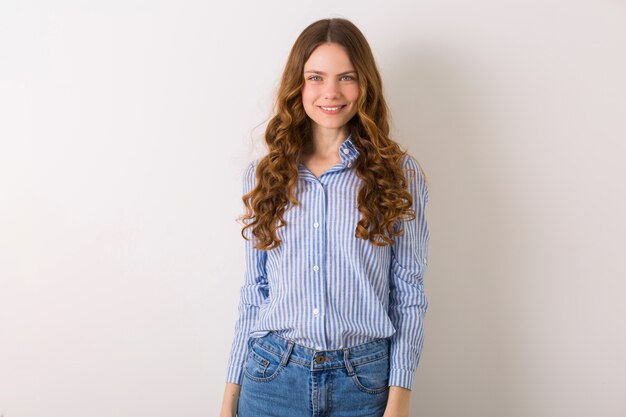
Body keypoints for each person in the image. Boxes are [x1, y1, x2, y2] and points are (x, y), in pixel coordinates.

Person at [219, 17, 430, 417]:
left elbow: (409, 295)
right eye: (315, 77)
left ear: (364, 84)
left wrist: (399, 400)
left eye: (346, 77)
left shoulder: (399, 174)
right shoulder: (266, 175)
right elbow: (254, 293)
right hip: (270, 379)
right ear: (297, 86)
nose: (330, 92)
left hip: (364, 384)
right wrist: (229, 397)